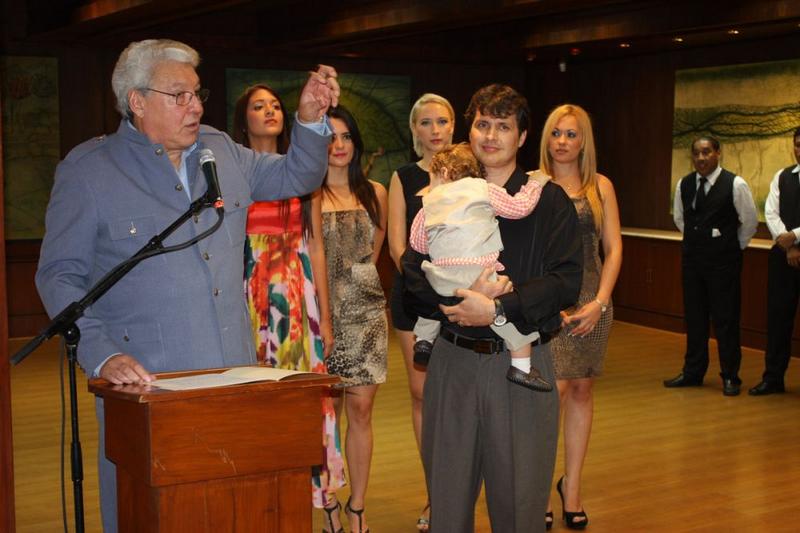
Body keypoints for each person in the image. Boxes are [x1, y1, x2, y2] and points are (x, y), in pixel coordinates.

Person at [34, 39, 339, 532]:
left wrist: (308, 120)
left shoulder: (220, 151)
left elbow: (296, 176)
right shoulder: (90, 171)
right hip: (148, 390)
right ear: (137, 101)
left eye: (198, 94)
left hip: (233, 378)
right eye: (179, 96)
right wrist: (102, 355)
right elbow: (58, 274)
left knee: (240, 510)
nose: (195, 106)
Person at [403, 84, 582, 533]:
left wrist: (497, 308)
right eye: (483, 124)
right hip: (453, 362)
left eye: (503, 127)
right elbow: (411, 272)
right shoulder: (442, 193)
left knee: (520, 509)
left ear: (522, 137)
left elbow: (565, 282)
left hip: (521, 366)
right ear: (471, 130)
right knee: (447, 506)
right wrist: (459, 299)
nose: (490, 135)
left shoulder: (547, 200)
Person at [231, 85, 345, 511]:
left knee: (299, 393)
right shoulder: (233, 171)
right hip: (247, 297)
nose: (270, 111)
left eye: (276, 105)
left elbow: (316, 246)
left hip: (296, 297)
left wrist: (325, 320)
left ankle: (311, 494)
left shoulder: (302, 173)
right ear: (244, 120)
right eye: (259, 106)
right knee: (252, 394)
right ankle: (259, 490)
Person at [409, 142, 552, 392]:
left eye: (431, 178)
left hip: (441, 274)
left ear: (443, 173)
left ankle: (423, 339)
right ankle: (521, 367)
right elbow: (520, 207)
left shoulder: (428, 202)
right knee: (508, 316)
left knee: (432, 299)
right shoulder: (483, 188)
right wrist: (535, 183)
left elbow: (417, 243)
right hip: (481, 272)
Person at [539, 105, 622, 530]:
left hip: (592, 301)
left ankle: (571, 488)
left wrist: (601, 302)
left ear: (583, 141)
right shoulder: (533, 184)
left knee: (582, 390)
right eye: (556, 133)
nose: (562, 142)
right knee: (551, 393)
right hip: (547, 302)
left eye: (571, 134)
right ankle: (539, 489)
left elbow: (614, 248)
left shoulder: (600, 186)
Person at [386, 92, 454, 530]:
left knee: (458, 398)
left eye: (442, 121)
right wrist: (427, 288)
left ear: (453, 126)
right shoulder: (403, 177)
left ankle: (459, 488)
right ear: (415, 130)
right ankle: (435, 494)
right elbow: (397, 246)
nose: (435, 130)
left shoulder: (470, 173)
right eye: (425, 123)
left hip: (464, 301)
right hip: (416, 298)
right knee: (422, 395)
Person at [320, 106, 388, 533]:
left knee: (361, 410)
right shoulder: (307, 194)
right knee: (325, 415)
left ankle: (357, 505)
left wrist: (356, 298)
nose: (339, 145)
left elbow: (373, 257)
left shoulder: (375, 193)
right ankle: (327, 503)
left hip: (365, 313)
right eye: (330, 137)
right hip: (321, 316)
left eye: (346, 136)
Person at [664, 136, 758, 396]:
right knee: (694, 318)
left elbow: (749, 221)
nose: (701, 158)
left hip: (724, 263)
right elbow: (681, 219)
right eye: (696, 153)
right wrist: (700, 240)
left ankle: (731, 376)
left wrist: (731, 246)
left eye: (706, 152)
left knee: (725, 320)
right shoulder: (684, 184)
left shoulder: (735, 184)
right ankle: (693, 372)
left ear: (718, 153)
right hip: (693, 262)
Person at [749, 127, 800, 396]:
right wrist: (787, 243)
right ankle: (773, 378)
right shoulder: (782, 176)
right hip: (782, 258)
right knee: (778, 320)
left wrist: (796, 236)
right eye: (798, 145)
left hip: (791, 245)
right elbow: (770, 212)